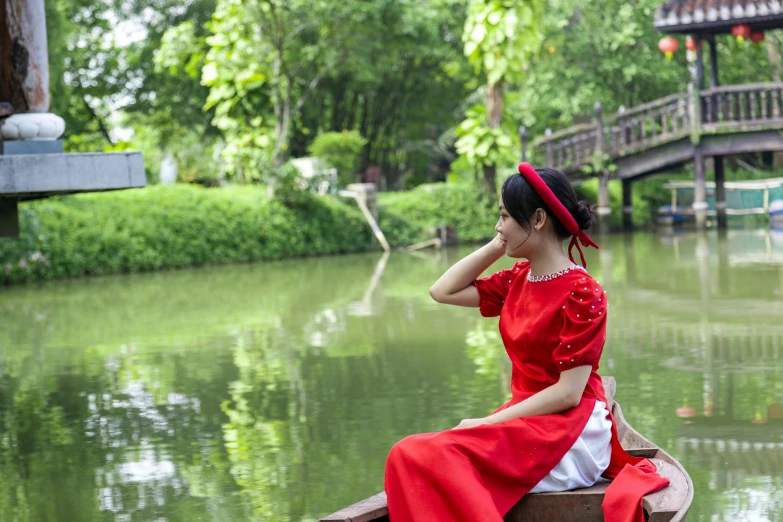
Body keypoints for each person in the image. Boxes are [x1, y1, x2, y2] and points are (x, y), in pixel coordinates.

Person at [384, 163, 669, 522]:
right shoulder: (518, 278)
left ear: (537, 219)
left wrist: (486, 424)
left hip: (569, 431)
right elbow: (442, 291)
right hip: (526, 421)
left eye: (504, 217)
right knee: (409, 454)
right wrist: (498, 244)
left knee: (420, 454)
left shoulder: (583, 292)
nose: (498, 226)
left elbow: (568, 393)